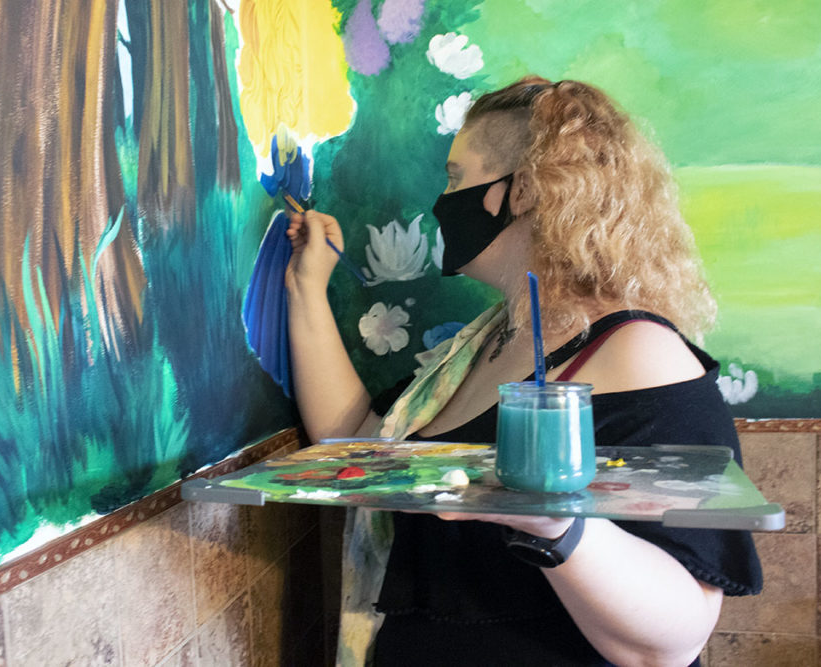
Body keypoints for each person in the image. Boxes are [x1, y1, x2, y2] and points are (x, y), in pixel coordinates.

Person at [285, 77, 761, 667]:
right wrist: (306, 288)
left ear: (524, 191)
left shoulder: (637, 352)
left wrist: (554, 522)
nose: (443, 198)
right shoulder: (480, 343)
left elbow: (674, 638)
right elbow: (358, 440)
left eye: (457, 177)